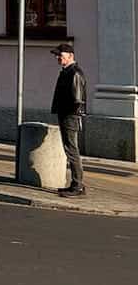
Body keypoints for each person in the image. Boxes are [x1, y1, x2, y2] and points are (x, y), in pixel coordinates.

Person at [50, 42, 88, 198]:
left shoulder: (74, 73)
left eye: (60, 55)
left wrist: (69, 114)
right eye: (57, 55)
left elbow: (77, 99)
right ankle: (75, 184)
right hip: (67, 115)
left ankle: (78, 186)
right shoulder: (67, 71)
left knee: (72, 151)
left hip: (70, 116)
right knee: (70, 150)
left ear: (70, 56)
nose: (58, 58)